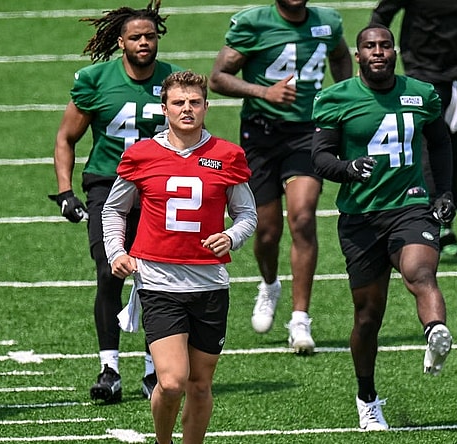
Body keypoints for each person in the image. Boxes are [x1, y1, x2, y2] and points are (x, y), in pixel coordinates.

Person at [311, 25, 454, 431]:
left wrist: (444, 192)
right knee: (368, 317)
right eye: (370, 46)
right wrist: (348, 168)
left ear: (395, 52)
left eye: (385, 45)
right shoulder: (337, 98)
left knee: (420, 272)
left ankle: (436, 332)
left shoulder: (421, 94)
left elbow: (440, 142)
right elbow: (320, 157)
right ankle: (367, 398)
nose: (378, 52)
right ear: (357, 56)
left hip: (411, 206)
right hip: (361, 217)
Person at [103, 70, 257, 444]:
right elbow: (114, 209)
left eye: (194, 102)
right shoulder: (140, 155)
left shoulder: (227, 155)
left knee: (200, 386)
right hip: (159, 282)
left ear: (206, 106)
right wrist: (116, 251)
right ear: (164, 108)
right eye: (178, 102)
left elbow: (247, 214)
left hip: (209, 284)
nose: (187, 109)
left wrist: (231, 237)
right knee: (172, 382)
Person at [49, 0, 185, 403]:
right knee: (110, 271)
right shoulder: (96, 79)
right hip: (108, 186)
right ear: (121, 42)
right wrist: (65, 192)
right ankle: (109, 369)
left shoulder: (174, 81)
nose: (144, 42)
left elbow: (192, 137)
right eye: (136, 37)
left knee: (159, 278)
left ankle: (153, 370)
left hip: (160, 189)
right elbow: (66, 138)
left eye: (150, 36)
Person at [207, 0, 353, 354]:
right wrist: (264, 91)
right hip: (262, 134)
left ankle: (300, 319)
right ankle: (270, 284)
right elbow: (217, 78)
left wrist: (345, 97)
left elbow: (340, 56)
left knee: (302, 218)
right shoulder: (254, 22)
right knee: (267, 231)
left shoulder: (327, 21)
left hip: (308, 132)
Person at [370, 0, 457, 256]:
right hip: (421, 73)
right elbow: (381, 15)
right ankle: (428, 222)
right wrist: (377, 56)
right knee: (425, 150)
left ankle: (446, 220)